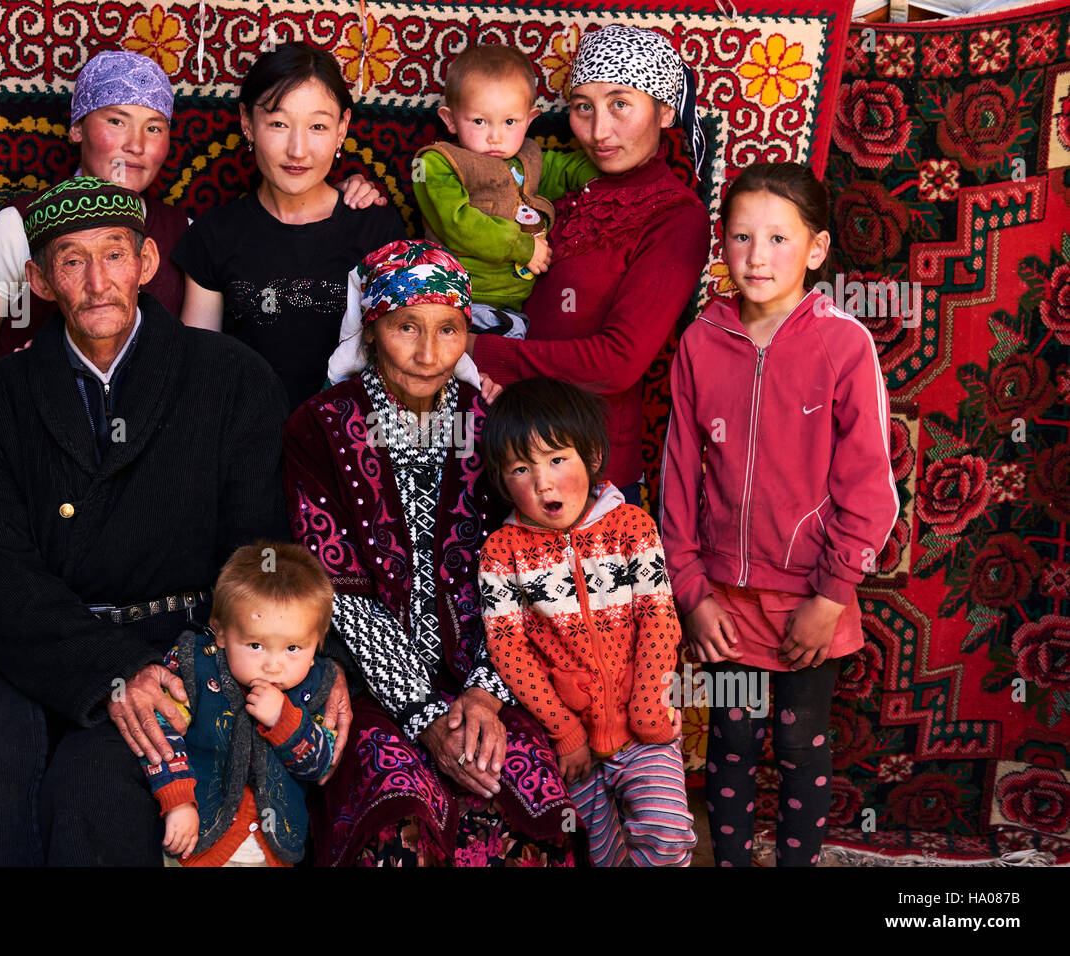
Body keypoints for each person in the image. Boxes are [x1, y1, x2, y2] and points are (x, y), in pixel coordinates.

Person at [0, 177, 348, 866]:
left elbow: (261, 556)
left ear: (146, 264)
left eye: (114, 255)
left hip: (180, 652)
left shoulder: (231, 379)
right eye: (71, 260)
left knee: (94, 793)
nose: (97, 280)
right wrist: (110, 668)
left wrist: (311, 662)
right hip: (33, 647)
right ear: (41, 281)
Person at [283, 239, 575, 866]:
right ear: (371, 331)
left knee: (522, 797)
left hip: (488, 675)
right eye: (405, 328)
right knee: (396, 812)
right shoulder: (321, 428)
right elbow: (338, 588)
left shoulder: (488, 423)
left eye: (448, 330)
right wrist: (423, 712)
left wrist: (486, 693)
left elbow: (528, 564)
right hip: (365, 683)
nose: (427, 353)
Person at [0, 48, 383, 431]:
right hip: (32, 459)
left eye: (154, 127)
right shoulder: (18, 225)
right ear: (76, 128)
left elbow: (191, 374)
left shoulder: (179, 232)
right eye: (116, 121)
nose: (135, 145)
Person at [658, 161, 899, 867]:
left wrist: (830, 597)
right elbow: (676, 475)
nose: (756, 257)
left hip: (810, 599)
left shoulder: (844, 345)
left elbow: (870, 486)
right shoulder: (701, 343)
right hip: (723, 600)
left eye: (778, 239)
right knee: (729, 740)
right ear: (721, 244)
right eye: (739, 238)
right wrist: (691, 594)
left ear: (816, 251)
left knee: (798, 743)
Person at [466, 25, 711, 503]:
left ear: (663, 111)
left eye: (621, 104)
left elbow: (617, 362)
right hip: (504, 454)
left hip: (593, 476)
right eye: (584, 107)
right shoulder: (548, 185)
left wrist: (479, 349)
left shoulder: (675, 216)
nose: (599, 131)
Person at [478, 377, 694, 866]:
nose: (543, 482)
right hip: (573, 740)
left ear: (592, 457)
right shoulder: (501, 553)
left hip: (647, 725)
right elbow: (510, 652)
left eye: (557, 459)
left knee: (667, 834)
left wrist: (648, 706)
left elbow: (660, 620)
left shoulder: (632, 526)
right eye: (520, 468)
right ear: (501, 480)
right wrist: (564, 730)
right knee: (599, 851)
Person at [174, 41, 406, 410]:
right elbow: (198, 370)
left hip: (349, 446)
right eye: (279, 124)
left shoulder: (376, 232)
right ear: (247, 123)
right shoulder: (213, 234)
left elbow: (403, 358)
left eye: (317, 126)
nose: (297, 150)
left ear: (342, 128)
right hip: (244, 445)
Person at [143, 543, 337, 867]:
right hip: (197, 842)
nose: (273, 666)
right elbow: (161, 731)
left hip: (274, 851)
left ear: (317, 640)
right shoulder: (196, 667)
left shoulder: (315, 684)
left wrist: (284, 720)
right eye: (256, 645)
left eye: (293, 647)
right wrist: (177, 802)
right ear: (220, 632)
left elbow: (321, 764)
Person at [411, 44, 596, 337]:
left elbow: (567, 169)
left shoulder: (529, 158)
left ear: (530, 119)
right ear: (450, 119)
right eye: (479, 121)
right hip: (457, 296)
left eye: (510, 122)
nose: (495, 136)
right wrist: (521, 247)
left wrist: (620, 173)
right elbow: (457, 222)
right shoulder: (435, 163)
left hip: (518, 305)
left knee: (508, 370)